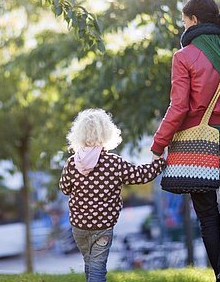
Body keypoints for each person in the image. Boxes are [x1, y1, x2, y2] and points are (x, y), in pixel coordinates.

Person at [150, 0, 220, 282]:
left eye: (183, 21)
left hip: (199, 146)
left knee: (208, 216)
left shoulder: (184, 57)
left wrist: (159, 144)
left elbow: (179, 107)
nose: (183, 27)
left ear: (193, 20)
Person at [59, 109, 165, 282]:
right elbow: (140, 175)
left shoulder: (72, 163)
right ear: (107, 132)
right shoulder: (114, 162)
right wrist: (158, 163)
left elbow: (64, 188)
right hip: (103, 228)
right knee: (97, 270)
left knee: (90, 265)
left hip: (79, 228)